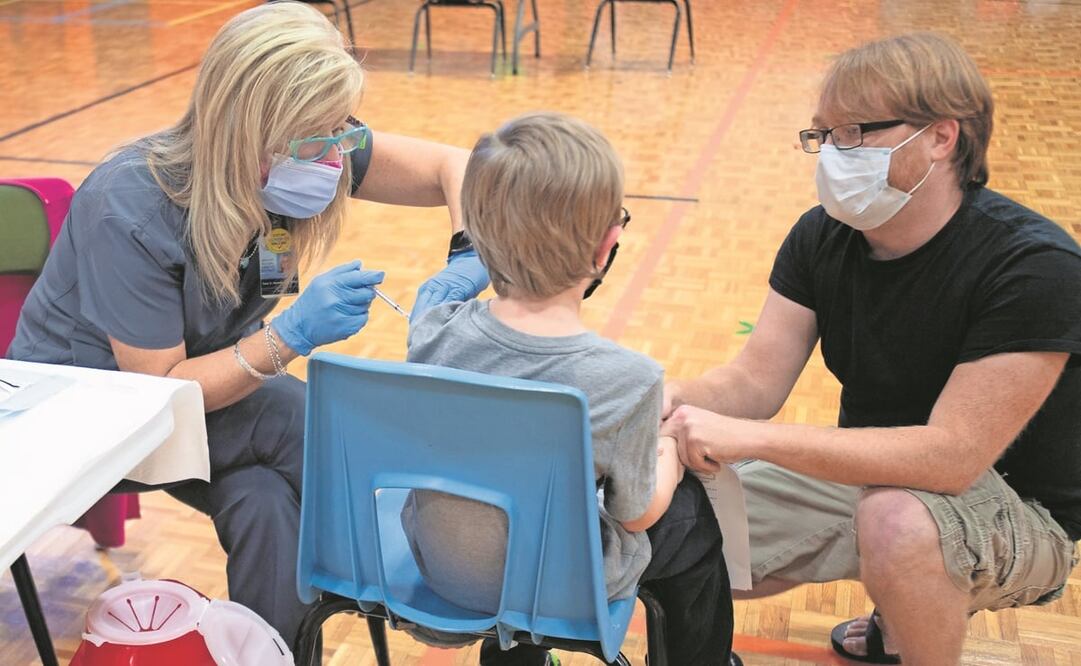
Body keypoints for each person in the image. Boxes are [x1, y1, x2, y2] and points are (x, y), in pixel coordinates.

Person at [7, 2, 488, 645]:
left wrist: (466, 255)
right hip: (95, 418)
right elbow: (161, 394)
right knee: (302, 417)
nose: (334, 157)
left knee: (262, 504)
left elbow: (458, 166)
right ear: (248, 130)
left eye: (339, 132)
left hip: (208, 392)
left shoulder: (313, 152)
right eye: (316, 138)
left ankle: (276, 654)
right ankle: (434, 580)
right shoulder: (129, 206)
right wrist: (287, 337)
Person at [660, 33, 1081, 665]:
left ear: (942, 137)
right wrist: (663, 398)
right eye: (822, 135)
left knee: (899, 523)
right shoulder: (822, 235)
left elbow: (950, 459)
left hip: (1021, 513)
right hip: (875, 480)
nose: (833, 153)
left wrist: (749, 440)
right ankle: (901, 598)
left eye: (854, 133)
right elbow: (754, 382)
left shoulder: (1034, 266)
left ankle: (912, 611)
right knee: (666, 523)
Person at [402, 112, 736, 665]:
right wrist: (671, 453)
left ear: (476, 239)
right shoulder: (628, 380)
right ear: (605, 248)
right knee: (687, 518)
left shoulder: (432, 330)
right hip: (555, 587)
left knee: (494, 496)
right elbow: (635, 515)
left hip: (443, 569)